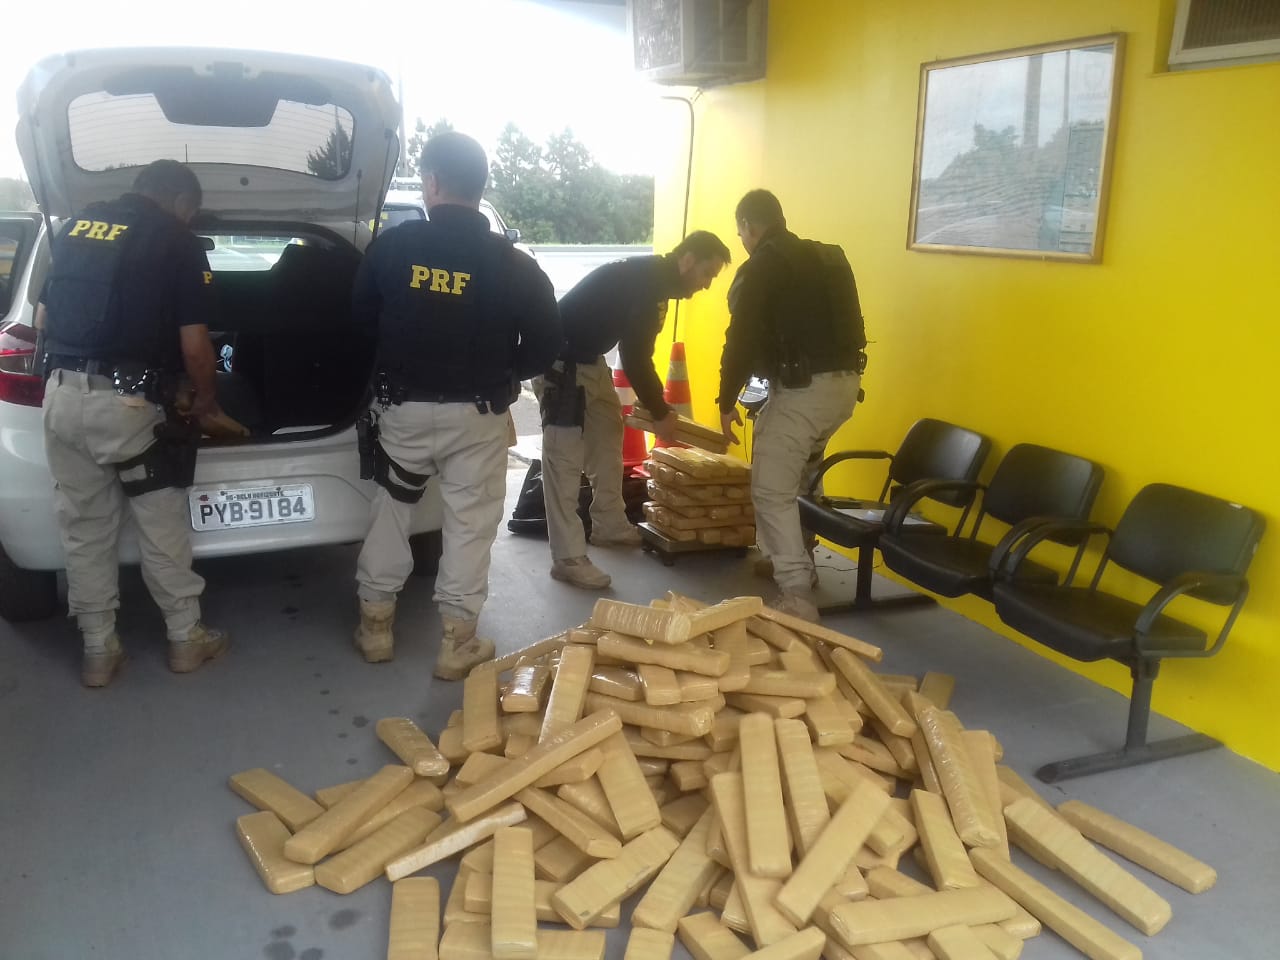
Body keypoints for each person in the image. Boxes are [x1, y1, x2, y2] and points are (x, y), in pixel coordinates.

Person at [352, 132, 561, 679]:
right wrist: (505, 373)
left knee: (392, 511)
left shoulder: (391, 248)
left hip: (401, 412)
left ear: (432, 182)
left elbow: (359, 324)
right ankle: (456, 643)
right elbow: (546, 344)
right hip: (478, 416)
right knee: (470, 524)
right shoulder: (514, 265)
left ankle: (375, 627)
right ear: (479, 187)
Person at [39, 159, 229, 687]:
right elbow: (196, 347)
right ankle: (185, 637)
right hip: (128, 408)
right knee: (161, 524)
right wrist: (206, 401)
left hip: (61, 398)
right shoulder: (176, 240)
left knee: (85, 529)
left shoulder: (75, 227)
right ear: (182, 203)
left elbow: (44, 319)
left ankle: (98, 650)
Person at [538, 231, 731, 589]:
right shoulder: (648, 282)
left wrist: (660, 408)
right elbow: (636, 356)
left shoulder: (654, 281)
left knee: (607, 436)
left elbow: (638, 352)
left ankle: (609, 524)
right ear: (687, 260)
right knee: (564, 460)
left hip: (590, 361)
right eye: (707, 273)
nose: (706, 284)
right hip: (560, 363)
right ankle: (567, 558)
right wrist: (660, 412)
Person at [717, 189, 867, 622]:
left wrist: (726, 399)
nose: (743, 240)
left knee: (771, 488)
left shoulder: (762, 267)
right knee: (801, 477)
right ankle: (800, 560)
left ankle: (797, 592)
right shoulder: (827, 257)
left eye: (741, 233)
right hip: (844, 387)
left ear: (748, 226)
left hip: (803, 391)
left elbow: (741, 338)